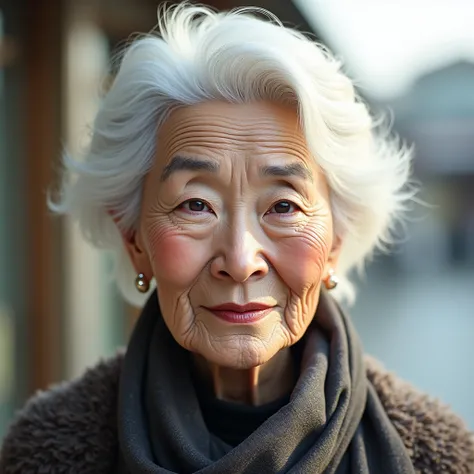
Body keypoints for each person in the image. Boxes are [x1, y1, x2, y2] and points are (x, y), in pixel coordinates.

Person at [1, 4, 473, 474]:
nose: (242, 260)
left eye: (283, 206)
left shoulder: (437, 456)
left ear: (335, 240)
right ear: (133, 239)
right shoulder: (44, 455)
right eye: (195, 205)